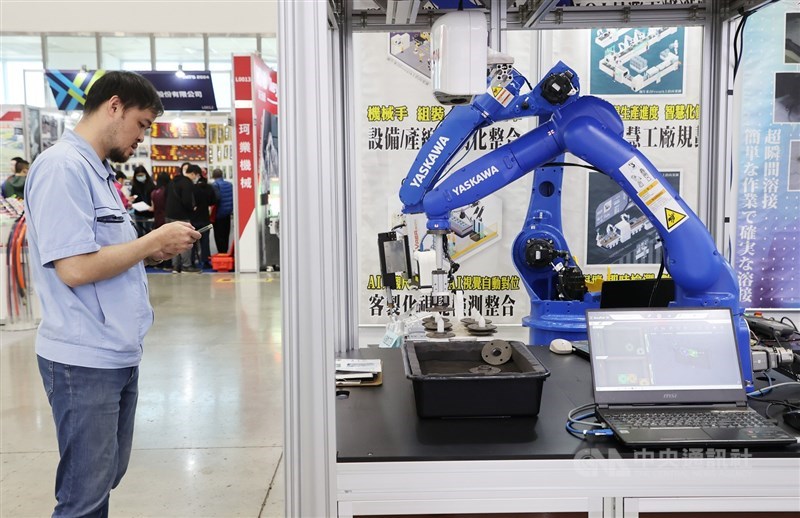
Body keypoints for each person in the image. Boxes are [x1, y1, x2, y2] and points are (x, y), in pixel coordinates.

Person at [23, 71, 200, 517]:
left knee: (104, 479)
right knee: (84, 497)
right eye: (142, 124)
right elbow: (76, 268)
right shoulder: (62, 168)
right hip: (83, 359)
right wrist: (150, 241)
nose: (142, 138)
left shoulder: (96, 172)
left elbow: (104, 254)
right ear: (114, 106)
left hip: (116, 352)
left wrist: (151, 253)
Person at [166, 163, 201, 273]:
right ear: (193, 174)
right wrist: (192, 208)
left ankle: (175, 266)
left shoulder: (174, 181)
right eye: (197, 175)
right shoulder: (187, 183)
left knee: (173, 242)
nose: (197, 178)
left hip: (169, 215)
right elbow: (187, 201)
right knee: (185, 241)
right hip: (181, 216)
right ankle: (186, 265)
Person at [191, 171, 217, 269]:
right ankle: (205, 261)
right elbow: (214, 201)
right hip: (205, 218)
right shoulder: (209, 188)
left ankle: (192, 261)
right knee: (205, 242)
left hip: (193, 219)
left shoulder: (192, 188)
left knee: (191, 242)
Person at [210, 168, 233, 254]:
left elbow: (216, 200)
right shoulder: (230, 185)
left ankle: (221, 253)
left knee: (218, 235)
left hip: (218, 215)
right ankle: (225, 251)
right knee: (226, 234)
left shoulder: (214, 185)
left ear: (213, 176)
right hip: (227, 214)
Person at [130, 165, 156, 237]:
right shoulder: (135, 185)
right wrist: (132, 200)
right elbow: (133, 197)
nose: (140, 177)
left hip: (149, 213)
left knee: (149, 233)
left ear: (145, 174)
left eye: (142, 175)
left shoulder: (151, 185)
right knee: (139, 233)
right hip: (138, 213)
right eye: (138, 175)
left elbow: (154, 198)